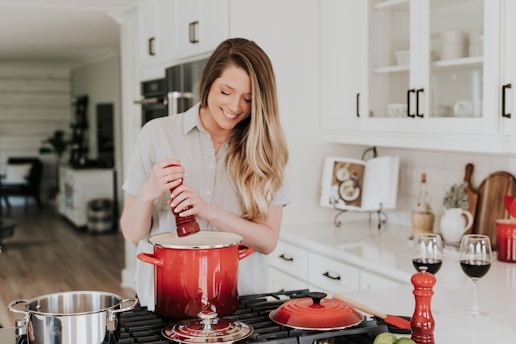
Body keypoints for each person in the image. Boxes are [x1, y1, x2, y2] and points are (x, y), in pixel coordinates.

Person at [120, 38, 290, 310]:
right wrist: (148, 192)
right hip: (166, 301)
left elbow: (268, 241)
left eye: (248, 99)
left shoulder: (266, 150)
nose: (236, 106)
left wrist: (207, 211)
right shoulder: (157, 134)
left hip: (240, 304)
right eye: (226, 91)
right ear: (207, 84)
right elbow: (131, 232)